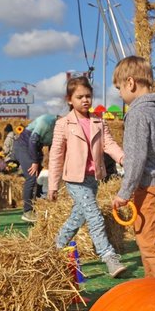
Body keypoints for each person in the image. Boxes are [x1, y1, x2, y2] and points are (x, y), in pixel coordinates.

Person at [49, 76, 127, 278]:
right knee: (94, 216)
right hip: (74, 179)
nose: (85, 100)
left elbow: (108, 144)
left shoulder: (98, 122)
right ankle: (108, 256)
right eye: (80, 97)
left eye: (88, 96)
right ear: (69, 99)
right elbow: (56, 154)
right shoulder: (63, 124)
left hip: (93, 178)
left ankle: (55, 247)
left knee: (77, 217)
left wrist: (122, 158)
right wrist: (53, 185)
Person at [111, 56, 155, 278]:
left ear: (130, 83)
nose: (120, 94)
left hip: (148, 186)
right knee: (150, 239)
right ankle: (154, 286)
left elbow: (135, 157)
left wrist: (124, 192)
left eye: (119, 88)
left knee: (150, 244)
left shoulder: (137, 114)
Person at [14, 114, 57, 222]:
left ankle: (37, 208)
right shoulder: (47, 121)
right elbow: (32, 141)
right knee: (32, 176)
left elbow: (54, 148)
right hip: (24, 145)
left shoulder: (60, 130)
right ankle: (27, 212)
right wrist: (34, 161)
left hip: (36, 148)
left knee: (37, 178)